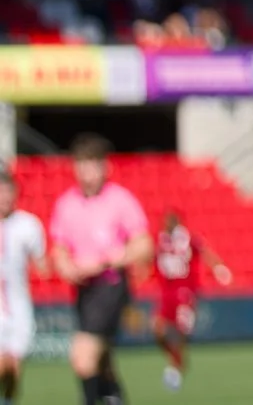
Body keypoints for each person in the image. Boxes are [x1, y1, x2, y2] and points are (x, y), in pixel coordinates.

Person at [48, 134, 152, 405]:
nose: (86, 173)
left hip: (111, 285)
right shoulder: (66, 203)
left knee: (82, 356)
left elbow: (144, 245)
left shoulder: (120, 200)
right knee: (101, 359)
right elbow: (59, 249)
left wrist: (108, 260)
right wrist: (66, 267)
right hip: (84, 291)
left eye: (92, 166)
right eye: (81, 166)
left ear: (104, 167)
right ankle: (114, 398)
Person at [150, 206, 230, 392]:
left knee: (179, 333)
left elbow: (206, 252)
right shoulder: (161, 242)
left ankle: (175, 368)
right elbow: (151, 263)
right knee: (158, 329)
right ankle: (177, 360)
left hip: (185, 292)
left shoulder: (187, 240)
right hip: (167, 293)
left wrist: (219, 268)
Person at [0, 169, 45, 402]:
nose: (5, 197)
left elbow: (41, 263)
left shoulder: (28, 225)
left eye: (8, 192)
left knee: (13, 368)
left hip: (19, 306)